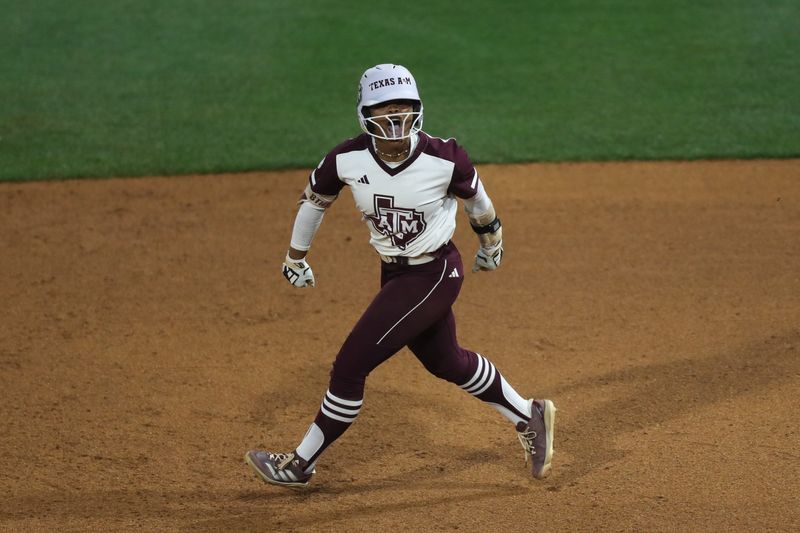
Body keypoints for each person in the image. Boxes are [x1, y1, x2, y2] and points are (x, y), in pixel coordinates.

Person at [245, 63, 555, 489]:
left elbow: (480, 204)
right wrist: (295, 256)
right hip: (393, 272)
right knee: (446, 361)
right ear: (364, 113)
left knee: (349, 367)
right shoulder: (346, 158)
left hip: (435, 272)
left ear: (418, 110)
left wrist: (491, 244)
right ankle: (528, 415)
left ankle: (299, 464)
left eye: (404, 107)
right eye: (384, 108)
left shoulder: (445, 157)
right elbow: (315, 201)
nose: (394, 117)